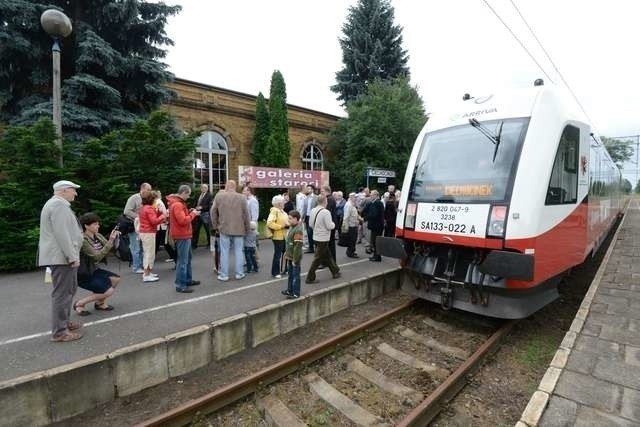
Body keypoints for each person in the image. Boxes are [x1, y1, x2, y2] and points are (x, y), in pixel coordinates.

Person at [38, 180, 85, 342]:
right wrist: (72, 256)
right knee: (63, 294)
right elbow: (62, 234)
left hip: (60, 257)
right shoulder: (59, 206)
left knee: (68, 290)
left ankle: (63, 323)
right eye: (73, 190)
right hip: (62, 257)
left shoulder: (54, 204)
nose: (75, 193)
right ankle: (60, 332)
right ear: (64, 190)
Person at [74, 213, 121, 315]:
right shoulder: (83, 240)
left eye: (98, 224)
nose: (98, 226)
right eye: (95, 224)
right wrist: (111, 241)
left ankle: (99, 303)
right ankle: (80, 303)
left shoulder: (98, 236)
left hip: (93, 269)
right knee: (108, 291)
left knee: (115, 279)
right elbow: (97, 256)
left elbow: (110, 249)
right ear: (86, 226)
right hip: (83, 273)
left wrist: (114, 238)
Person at [211, 180, 251, 281]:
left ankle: (224, 275)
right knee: (239, 251)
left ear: (226, 186)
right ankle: (239, 273)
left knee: (224, 252)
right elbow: (247, 215)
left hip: (224, 228)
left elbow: (213, 212)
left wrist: (215, 225)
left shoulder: (219, 196)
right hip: (239, 228)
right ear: (235, 186)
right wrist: (247, 228)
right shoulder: (242, 197)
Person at [167, 185, 201, 293]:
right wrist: (193, 214)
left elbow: (180, 218)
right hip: (182, 235)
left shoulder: (178, 203)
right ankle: (180, 285)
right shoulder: (177, 204)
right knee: (182, 261)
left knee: (187, 259)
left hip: (184, 234)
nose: (189, 196)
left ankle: (187, 280)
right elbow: (182, 221)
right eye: (188, 194)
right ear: (183, 193)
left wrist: (189, 211)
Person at [305, 194, 340, 284]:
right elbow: (329, 226)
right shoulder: (326, 212)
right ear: (325, 201)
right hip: (323, 238)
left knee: (327, 255)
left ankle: (335, 271)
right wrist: (334, 224)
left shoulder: (313, 210)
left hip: (316, 236)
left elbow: (310, 224)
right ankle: (310, 277)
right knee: (317, 258)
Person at [123, 182, 152, 273]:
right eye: (148, 189)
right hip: (133, 225)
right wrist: (138, 217)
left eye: (150, 190)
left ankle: (141, 265)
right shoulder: (134, 198)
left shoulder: (147, 199)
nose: (150, 191)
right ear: (142, 189)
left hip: (143, 226)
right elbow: (126, 211)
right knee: (136, 247)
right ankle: (136, 267)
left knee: (142, 247)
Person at [138, 191, 166, 282]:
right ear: (152, 200)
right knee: (149, 254)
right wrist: (163, 216)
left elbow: (151, 218)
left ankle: (148, 272)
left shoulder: (144, 208)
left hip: (145, 232)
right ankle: (146, 275)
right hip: (148, 233)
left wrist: (158, 212)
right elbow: (154, 221)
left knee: (148, 253)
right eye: (155, 199)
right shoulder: (149, 208)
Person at [267, 194, 289, 278]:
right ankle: (275, 272)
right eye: (283, 201)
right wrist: (281, 227)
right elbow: (269, 223)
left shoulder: (283, 212)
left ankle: (284, 269)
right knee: (278, 254)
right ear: (279, 203)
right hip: (277, 236)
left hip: (284, 236)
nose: (284, 203)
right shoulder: (274, 211)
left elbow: (286, 221)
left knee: (285, 253)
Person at [283, 210, 304, 299]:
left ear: (296, 219)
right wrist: (286, 253)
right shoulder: (292, 227)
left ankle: (296, 293)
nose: (289, 220)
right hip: (290, 256)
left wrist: (295, 260)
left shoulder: (298, 230)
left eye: (290, 219)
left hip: (295, 258)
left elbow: (297, 247)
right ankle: (290, 290)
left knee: (295, 276)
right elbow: (289, 243)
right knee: (290, 274)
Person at [192, 184, 213, 249]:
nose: (203, 189)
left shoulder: (209, 196)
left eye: (205, 187)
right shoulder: (198, 195)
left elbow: (210, 206)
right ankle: (194, 245)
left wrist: (202, 207)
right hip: (197, 215)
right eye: (202, 187)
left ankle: (209, 244)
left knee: (207, 230)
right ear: (201, 189)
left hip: (205, 215)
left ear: (207, 189)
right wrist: (195, 208)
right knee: (196, 230)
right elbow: (196, 203)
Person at [366, 190, 385, 262]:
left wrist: (366, 217)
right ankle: (376, 256)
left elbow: (373, 215)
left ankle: (377, 257)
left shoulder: (377, 203)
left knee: (375, 242)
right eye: (370, 195)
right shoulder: (378, 202)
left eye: (372, 195)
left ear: (376, 195)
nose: (370, 196)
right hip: (378, 226)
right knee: (375, 242)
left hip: (376, 226)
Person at [341, 192, 360, 258]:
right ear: (351, 197)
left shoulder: (352, 204)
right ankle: (350, 253)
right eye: (355, 197)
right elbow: (346, 217)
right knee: (352, 240)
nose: (356, 199)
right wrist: (345, 227)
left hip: (354, 225)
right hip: (351, 225)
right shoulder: (348, 205)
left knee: (353, 239)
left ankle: (351, 251)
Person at [303, 184, 318, 253]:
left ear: (312, 190)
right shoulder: (306, 198)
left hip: (314, 217)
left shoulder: (316, 197)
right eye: (307, 189)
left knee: (314, 232)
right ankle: (311, 248)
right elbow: (304, 209)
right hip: (307, 217)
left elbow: (318, 207)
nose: (307, 190)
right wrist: (302, 218)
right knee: (309, 233)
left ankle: (317, 247)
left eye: (309, 189)